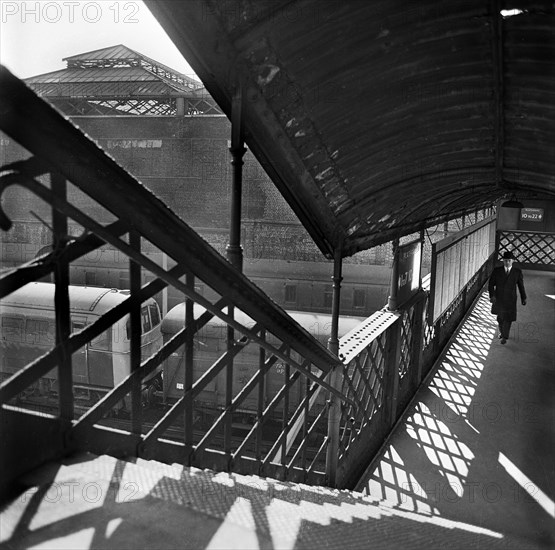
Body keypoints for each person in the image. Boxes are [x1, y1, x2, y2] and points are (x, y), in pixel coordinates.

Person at [488, 251, 527, 344]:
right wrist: (492, 295)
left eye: (509, 260)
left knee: (508, 318)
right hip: (499, 298)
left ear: (513, 261)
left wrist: (523, 297)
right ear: (503, 261)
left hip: (511, 299)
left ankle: (505, 336)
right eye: (505, 260)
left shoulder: (517, 272)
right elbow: (490, 284)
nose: (507, 262)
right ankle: (502, 333)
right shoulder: (497, 271)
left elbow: (521, 286)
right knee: (500, 318)